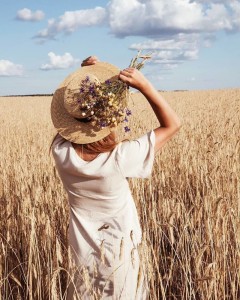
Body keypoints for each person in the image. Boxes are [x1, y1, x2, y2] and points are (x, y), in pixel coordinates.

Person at [51, 55, 181, 299]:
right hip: (121, 259)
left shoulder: (61, 153)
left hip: (83, 259)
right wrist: (144, 86)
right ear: (110, 117)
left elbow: (67, 124)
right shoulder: (121, 158)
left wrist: (87, 80)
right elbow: (172, 124)